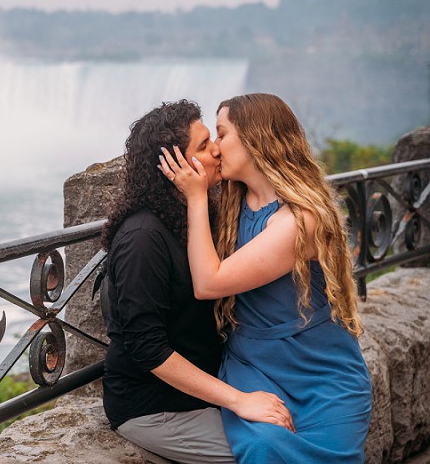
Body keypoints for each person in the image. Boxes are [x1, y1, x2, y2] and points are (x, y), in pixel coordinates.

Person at [158, 93, 372, 463]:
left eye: (221, 135)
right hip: (253, 369)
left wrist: (194, 198)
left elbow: (209, 282)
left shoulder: (302, 218)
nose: (215, 149)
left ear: (255, 138)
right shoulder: (228, 202)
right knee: (262, 446)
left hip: (322, 376)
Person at [102, 100, 293, 464]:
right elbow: (148, 349)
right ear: (175, 164)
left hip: (203, 393)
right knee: (276, 454)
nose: (217, 149)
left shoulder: (197, 213)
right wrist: (239, 400)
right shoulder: (143, 238)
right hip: (156, 407)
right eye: (204, 145)